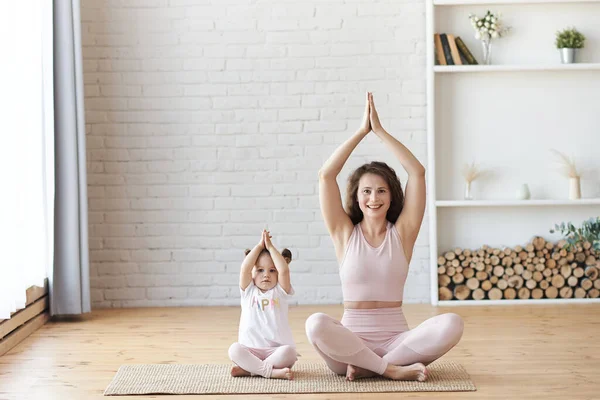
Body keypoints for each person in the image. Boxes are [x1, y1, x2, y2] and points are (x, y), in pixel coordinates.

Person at [305, 92, 464, 382]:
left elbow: (417, 172)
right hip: (349, 348)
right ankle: (388, 370)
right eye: (366, 191)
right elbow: (326, 176)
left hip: (397, 344)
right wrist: (360, 132)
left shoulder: (403, 233)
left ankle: (375, 367)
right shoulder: (344, 233)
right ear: (356, 196)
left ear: (392, 196)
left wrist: (380, 131)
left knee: (452, 323)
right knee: (315, 324)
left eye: (381, 191)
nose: (373, 198)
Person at [228, 230, 297, 380]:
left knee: (290, 352)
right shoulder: (248, 291)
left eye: (272, 270)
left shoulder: (280, 291)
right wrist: (260, 246)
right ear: (252, 272)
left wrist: (271, 247)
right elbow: (244, 268)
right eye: (260, 270)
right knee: (234, 350)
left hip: (276, 351)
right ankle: (270, 372)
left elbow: (284, 270)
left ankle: (251, 370)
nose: (266, 275)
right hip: (250, 350)